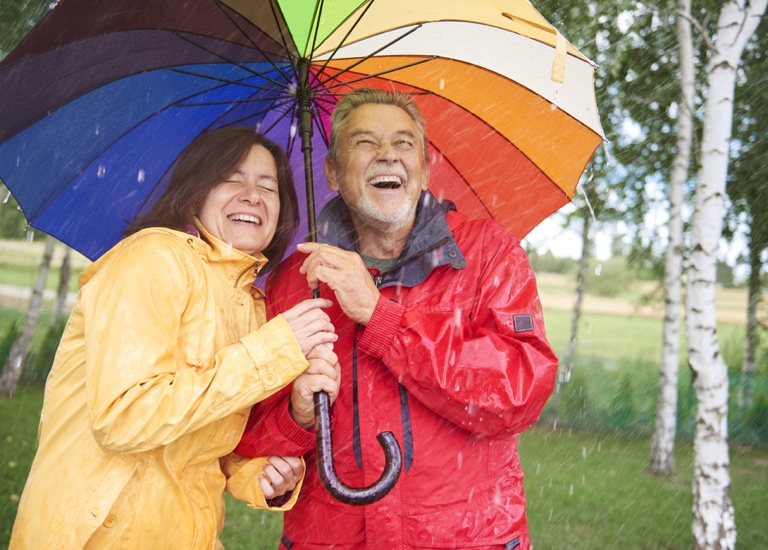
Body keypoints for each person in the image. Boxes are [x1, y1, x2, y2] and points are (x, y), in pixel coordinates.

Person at [235, 89, 559, 549]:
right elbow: (247, 440)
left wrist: (381, 318)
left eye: (404, 144)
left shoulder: (489, 253)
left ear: (424, 170)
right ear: (332, 171)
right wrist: (297, 415)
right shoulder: (293, 281)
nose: (388, 155)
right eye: (364, 143)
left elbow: (519, 392)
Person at [9, 127, 341, 549]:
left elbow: (205, 436)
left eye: (268, 185)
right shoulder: (150, 260)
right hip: (94, 534)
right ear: (195, 193)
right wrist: (274, 350)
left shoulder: (252, 306)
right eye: (232, 178)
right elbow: (124, 418)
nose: (252, 195)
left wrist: (256, 476)